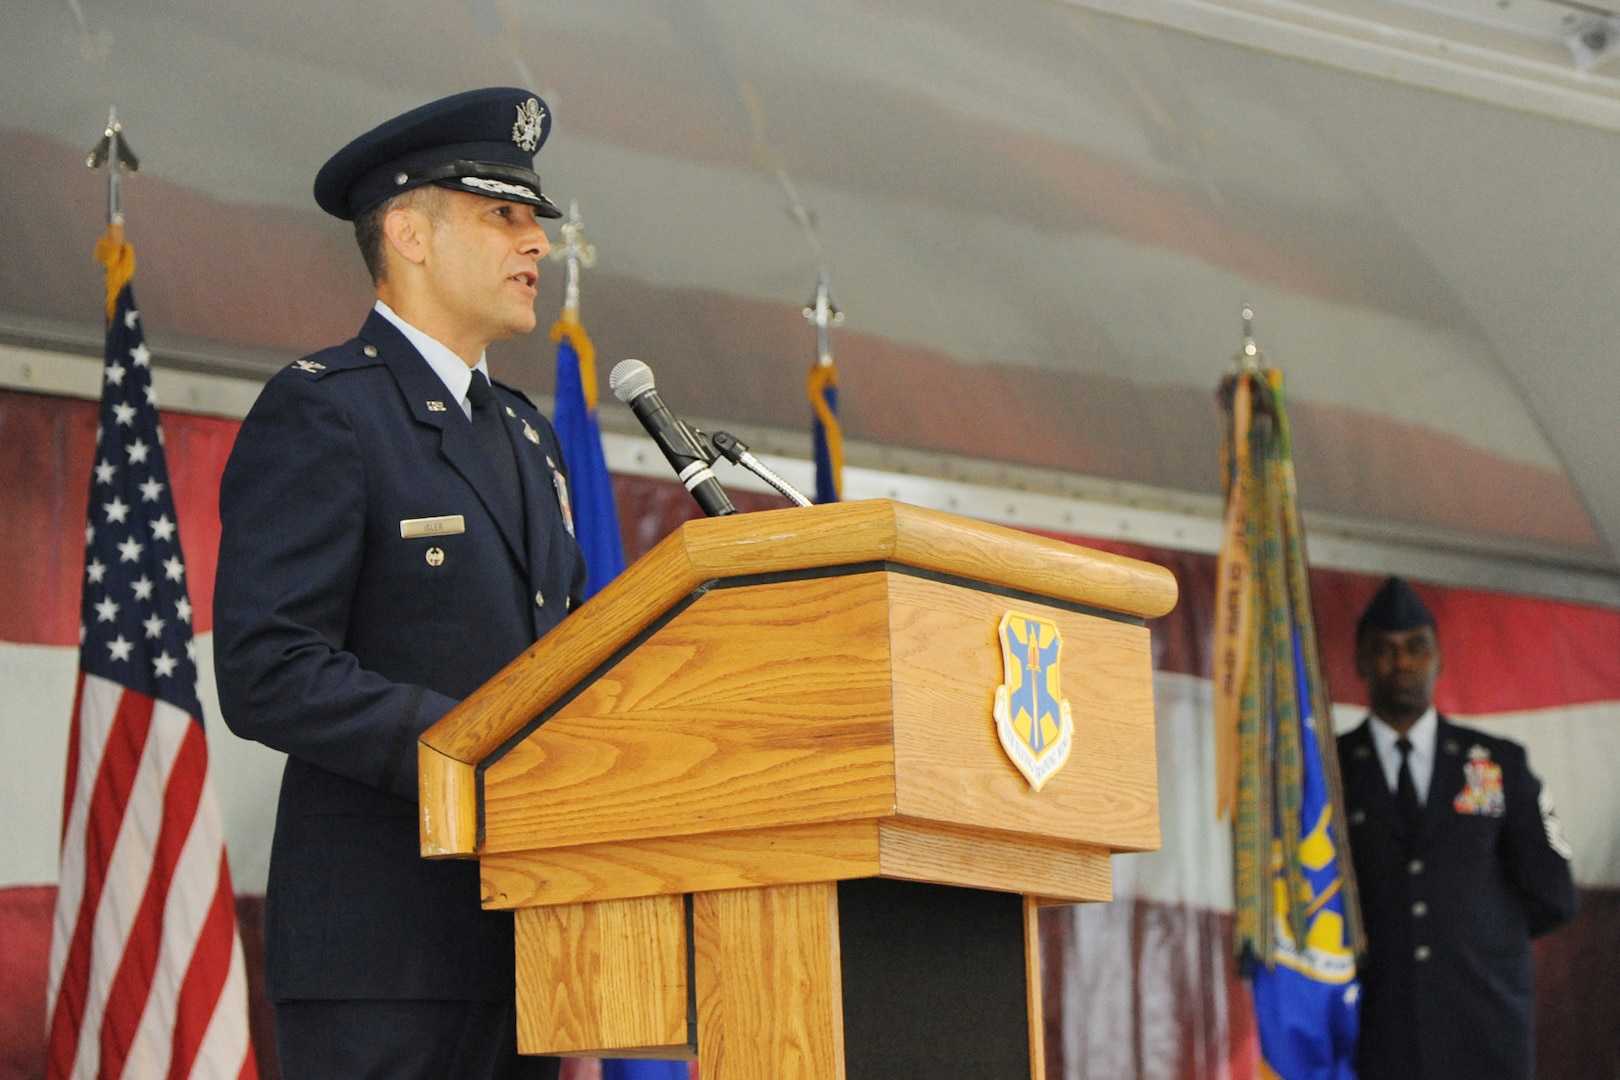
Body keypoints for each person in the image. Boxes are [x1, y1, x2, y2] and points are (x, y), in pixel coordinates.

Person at [214, 87, 587, 1080]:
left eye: (534, 220)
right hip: (380, 957)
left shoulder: (526, 436)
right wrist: (475, 753)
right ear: (410, 233)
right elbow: (267, 669)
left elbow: (577, 661)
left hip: (523, 937)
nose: (535, 243)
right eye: (502, 215)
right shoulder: (326, 412)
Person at [1337, 576, 1577, 1080]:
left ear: (1439, 659)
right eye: (1385, 650)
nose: (1402, 663)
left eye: (1417, 649)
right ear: (1360, 662)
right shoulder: (1331, 770)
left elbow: (1552, 892)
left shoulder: (1496, 764)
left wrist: (1474, 940)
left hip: (1483, 1026)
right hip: (1373, 1028)